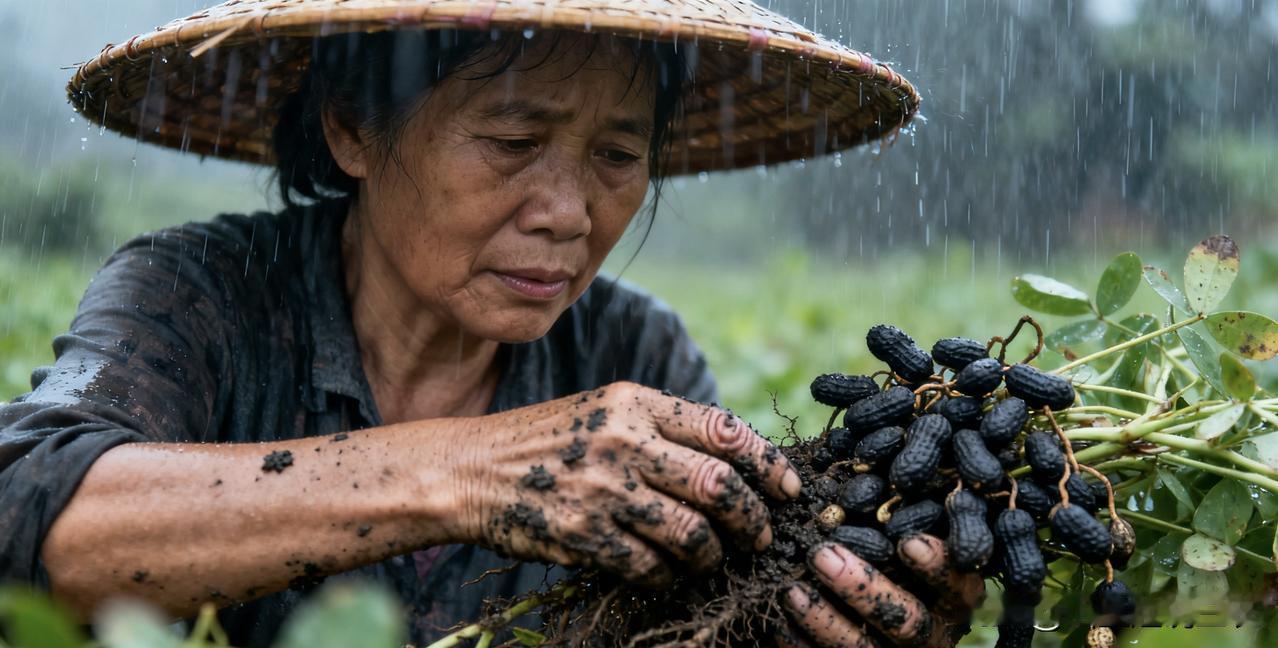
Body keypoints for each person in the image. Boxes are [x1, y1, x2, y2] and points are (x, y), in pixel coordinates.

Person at [1, 0, 980, 645]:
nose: (568, 211)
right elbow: (30, 519)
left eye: (616, 155)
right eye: (513, 140)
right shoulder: (199, 293)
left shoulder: (633, 355)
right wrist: (463, 473)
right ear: (352, 128)